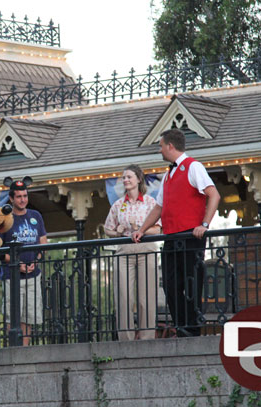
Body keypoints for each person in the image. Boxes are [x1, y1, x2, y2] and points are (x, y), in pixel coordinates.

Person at [132, 128, 220, 337]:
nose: (160, 150)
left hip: (191, 235)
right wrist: (141, 230)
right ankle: (181, 326)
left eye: (161, 146)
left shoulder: (193, 167)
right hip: (171, 237)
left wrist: (205, 224)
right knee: (171, 285)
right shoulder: (168, 175)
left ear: (170, 146)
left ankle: (191, 329)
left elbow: (214, 195)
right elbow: (159, 208)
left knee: (191, 283)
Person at [104, 165, 161, 341]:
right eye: (124, 177)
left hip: (146, 250)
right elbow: (108, 229)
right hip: (124, 251)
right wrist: (118, 231)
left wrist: (141, 229)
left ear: (138, 179)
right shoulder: (118, 205)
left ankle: (147, 338)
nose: (126, 180)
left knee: (146, 298)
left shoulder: (151, 203)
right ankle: (125, 340)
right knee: (124, 297)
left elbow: (159, 230)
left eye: (129, 177)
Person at [1, 177, 47, 346]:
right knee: (12, 316)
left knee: (30, 316)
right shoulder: (4, 218)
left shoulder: (36, 216)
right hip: (11, 275)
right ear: (11, 198)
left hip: (33, 275)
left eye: (25, 196)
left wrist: (36, 260)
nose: (23, 200)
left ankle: (25, 350)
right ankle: (13, 350)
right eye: (19, 196)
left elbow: (42, 242)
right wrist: (16, 264)